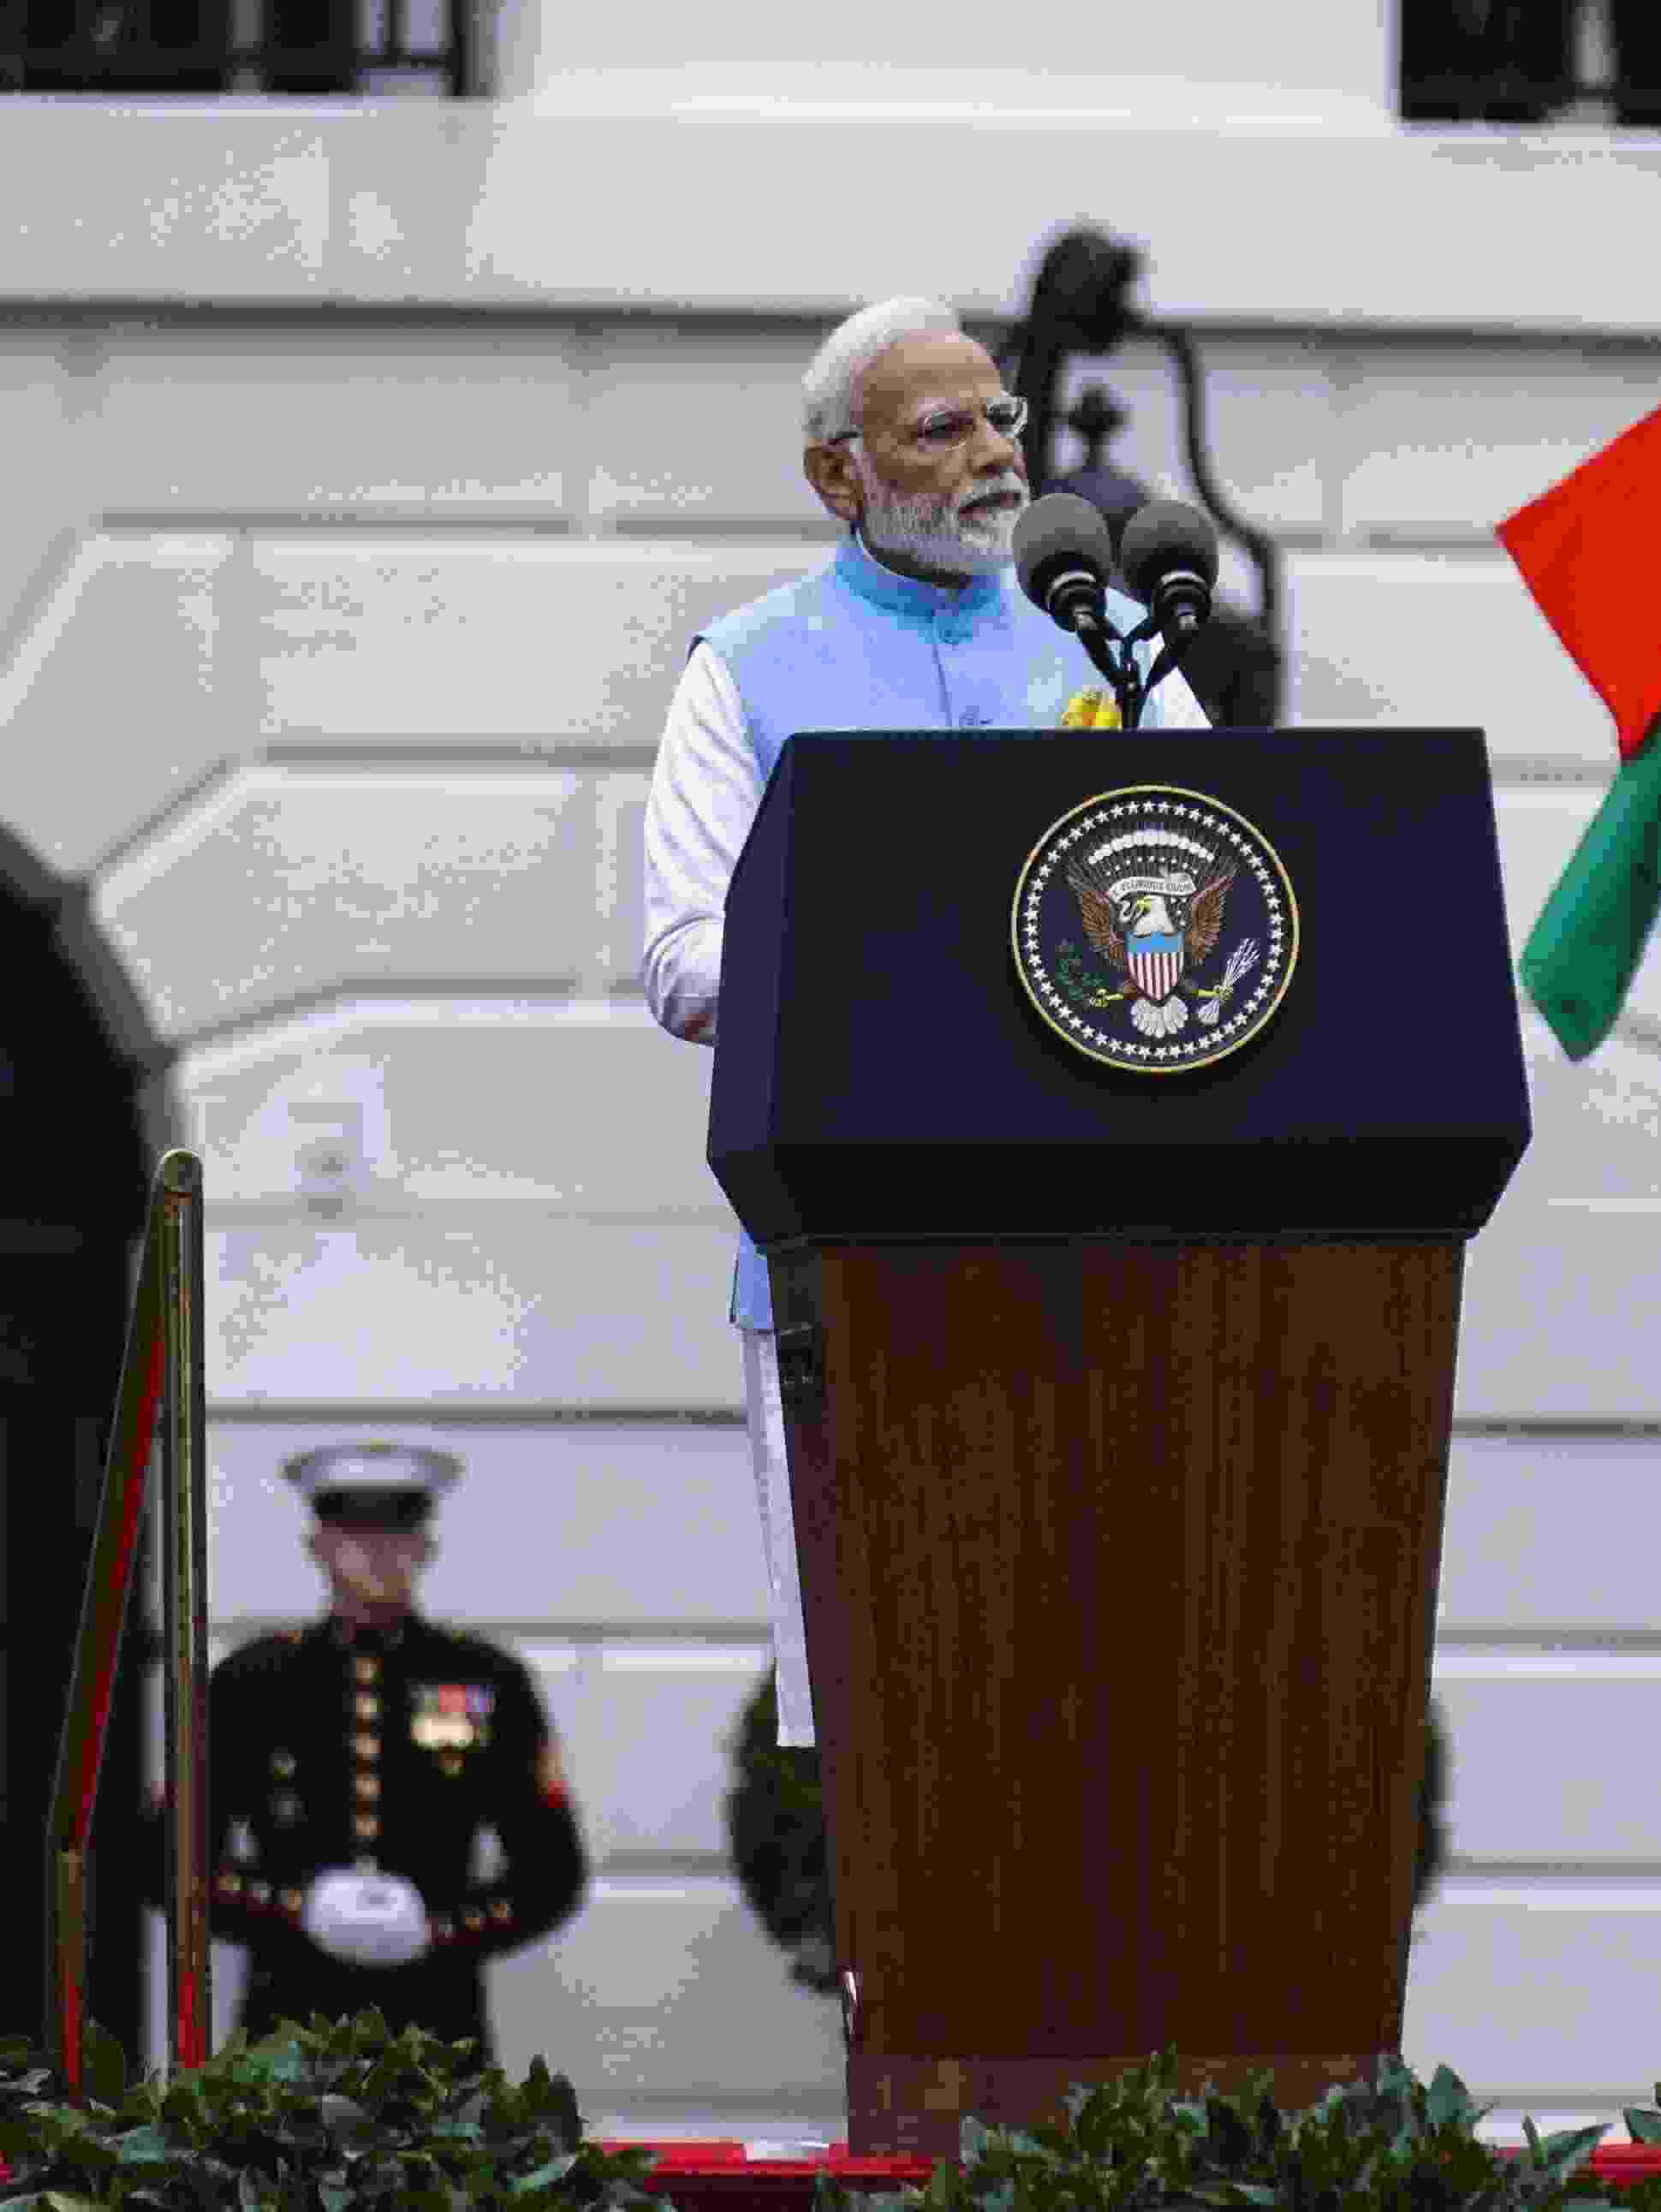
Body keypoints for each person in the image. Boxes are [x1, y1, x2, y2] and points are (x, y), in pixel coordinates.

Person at [638, 295, 1209, 1751]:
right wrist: (920, 944)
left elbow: (1225, 887)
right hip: (847, 1262)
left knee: (1106, 1718)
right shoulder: (745, 668)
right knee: (894, 1727)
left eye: (1000, 420)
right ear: (839, 474)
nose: (994, 455)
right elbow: (685, 965)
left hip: (1109, 1259)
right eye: (941, 430)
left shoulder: (1116, 651)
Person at [138, 1444, 587, 2054]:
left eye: (396, 1532)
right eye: (353, 1532)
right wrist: (296, 1909)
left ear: (425, 1547)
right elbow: (166, 1861)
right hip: (287, 2034)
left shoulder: (487, 1680)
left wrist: (438, 1929)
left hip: (438, 2035)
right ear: (318, 1546)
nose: (376, 1552)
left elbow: (553, 1874)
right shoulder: (253, 1682)